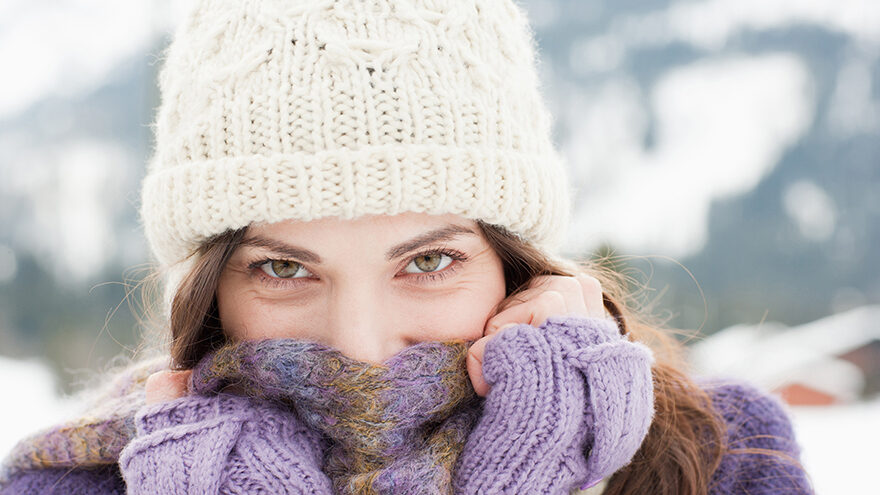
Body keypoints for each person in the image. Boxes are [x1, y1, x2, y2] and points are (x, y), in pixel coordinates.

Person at [0, 1, 814, 494]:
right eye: (283, 268)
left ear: (517, 264)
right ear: (210, 289)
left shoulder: (716, 458)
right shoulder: (84, 479)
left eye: (428, 261)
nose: (361, 343)